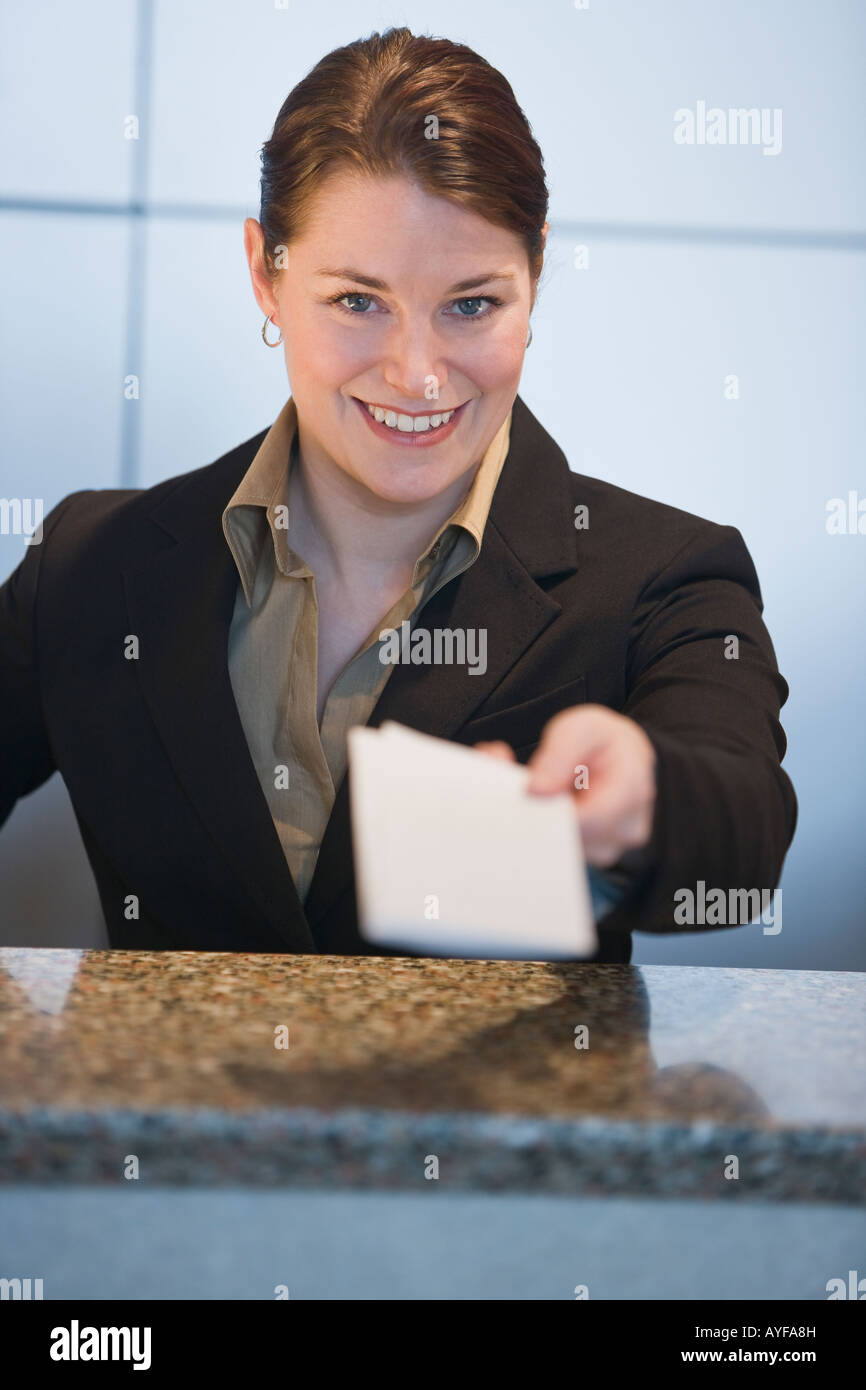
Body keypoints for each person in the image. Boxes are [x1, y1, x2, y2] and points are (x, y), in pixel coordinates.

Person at [0, 26, 796, 962]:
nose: (417, 375)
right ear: (266, 271)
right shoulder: (95, 561)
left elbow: (740, 857)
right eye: (356, 301)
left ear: (536, 272)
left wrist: (647, 801)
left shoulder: (661, 574)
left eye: (471, 304)